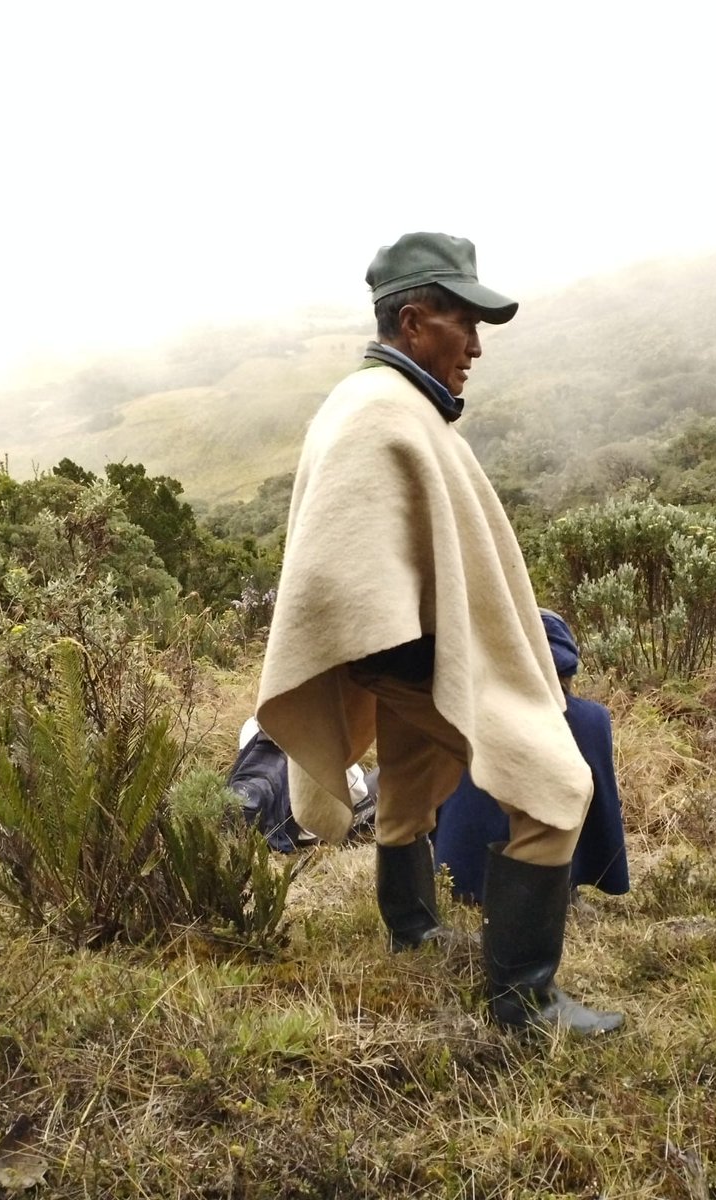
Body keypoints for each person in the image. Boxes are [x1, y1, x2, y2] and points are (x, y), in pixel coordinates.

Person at [256, 231, 624, 1035]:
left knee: (410, 786)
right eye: (467, 324)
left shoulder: (385, 400)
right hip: (409, 653)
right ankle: (523, 1003)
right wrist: (447, 664)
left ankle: (413, 931)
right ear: (415, 321)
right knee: (556, 788)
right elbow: (339, 569)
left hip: (404, 650)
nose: (476, 347)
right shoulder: (380, 411)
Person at [433, 610, 630, 904]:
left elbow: (435, 801)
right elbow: (603, 813)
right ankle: (566, 886)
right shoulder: (590, 720)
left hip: (457, 878)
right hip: (538, 885)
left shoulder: (460, 715)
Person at [227, 719, 377, 852]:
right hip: (300, 833)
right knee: (378, 779)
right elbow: (359, 793)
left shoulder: (251, 725)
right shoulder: (319, 738)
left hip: (259, 822)